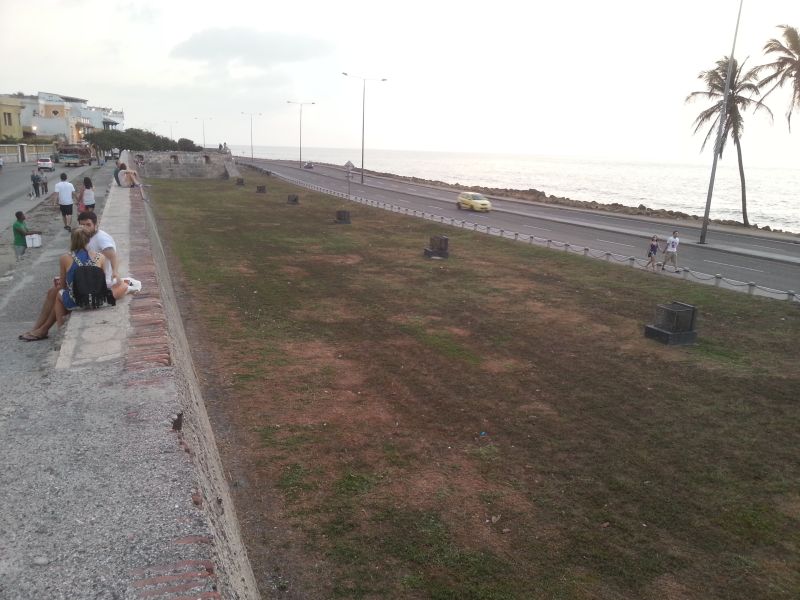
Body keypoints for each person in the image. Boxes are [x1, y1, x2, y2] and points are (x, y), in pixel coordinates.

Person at [18, 228, 106, 342]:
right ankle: (41, 329)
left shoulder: (65, 258)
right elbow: (102, 280)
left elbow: (64, 285)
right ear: (89, 240)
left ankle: (58, 330)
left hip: (80, 301)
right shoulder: (101, 257)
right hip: (97, 299)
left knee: (59, 294)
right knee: (53, 292)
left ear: (72, 240)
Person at [78, 211, 129, 299]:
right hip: (88, 277)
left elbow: (114, 256)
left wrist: (115, 272)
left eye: (88, 224)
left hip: (101, 281)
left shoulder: (101, 239)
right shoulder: (85, 237)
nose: (85, 228)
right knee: (53, 293)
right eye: (82, 225)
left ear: (95, 224)